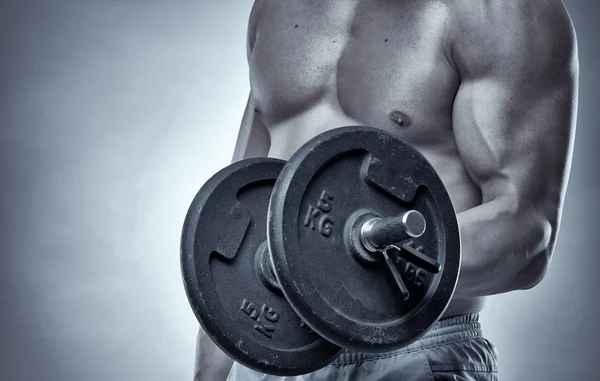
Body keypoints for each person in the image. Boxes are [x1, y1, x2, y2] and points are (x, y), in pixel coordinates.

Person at [195, 0, 579, 380]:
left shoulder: (501, 12)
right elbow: (237, 214)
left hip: (411, 355)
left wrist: (347, 264)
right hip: (271, 349)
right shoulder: (274, 8)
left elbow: (527, 233)